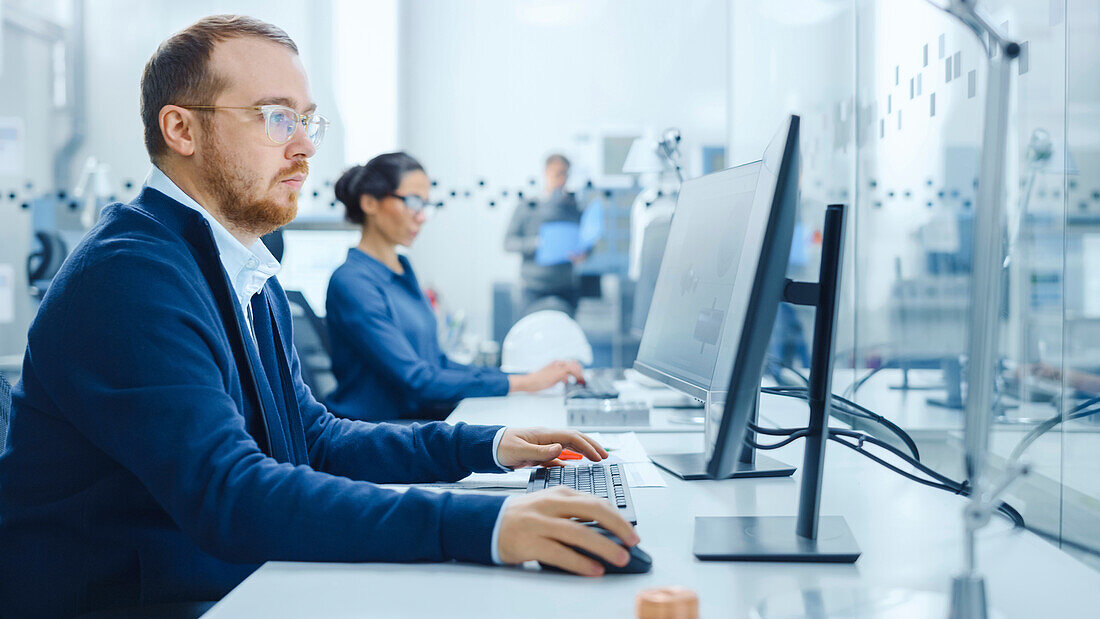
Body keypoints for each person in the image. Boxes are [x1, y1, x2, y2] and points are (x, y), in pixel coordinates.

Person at [0, 16, 638, 616]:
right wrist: (481, 526)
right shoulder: (130, 277)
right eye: (276, 118)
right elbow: (231, 493)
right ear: (182, 130)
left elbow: (317, 438)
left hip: (229, 586)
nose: (305, 146)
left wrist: (487, 446)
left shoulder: (242, 264)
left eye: (307, 121)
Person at [326, 153, 585, 422]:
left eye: (426, 205)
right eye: (413, 202)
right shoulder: (352, 282)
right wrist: (524, 383)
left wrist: (524, 376)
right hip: (377, 433)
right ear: (370, 202)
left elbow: (438, 364)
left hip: (415, 424)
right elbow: (418, 380)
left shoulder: (403, 270)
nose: (422, 216)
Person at [504, 153, 585, 316]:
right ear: (546, 173)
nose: (561, 179)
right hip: (533, 287)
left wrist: (584, 253)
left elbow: (585, 242)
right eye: (557, 174)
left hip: (565, 286)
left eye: (565, 174)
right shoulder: (527, 207)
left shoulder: (574, 209)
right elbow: (508, 243)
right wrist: (537, 243)